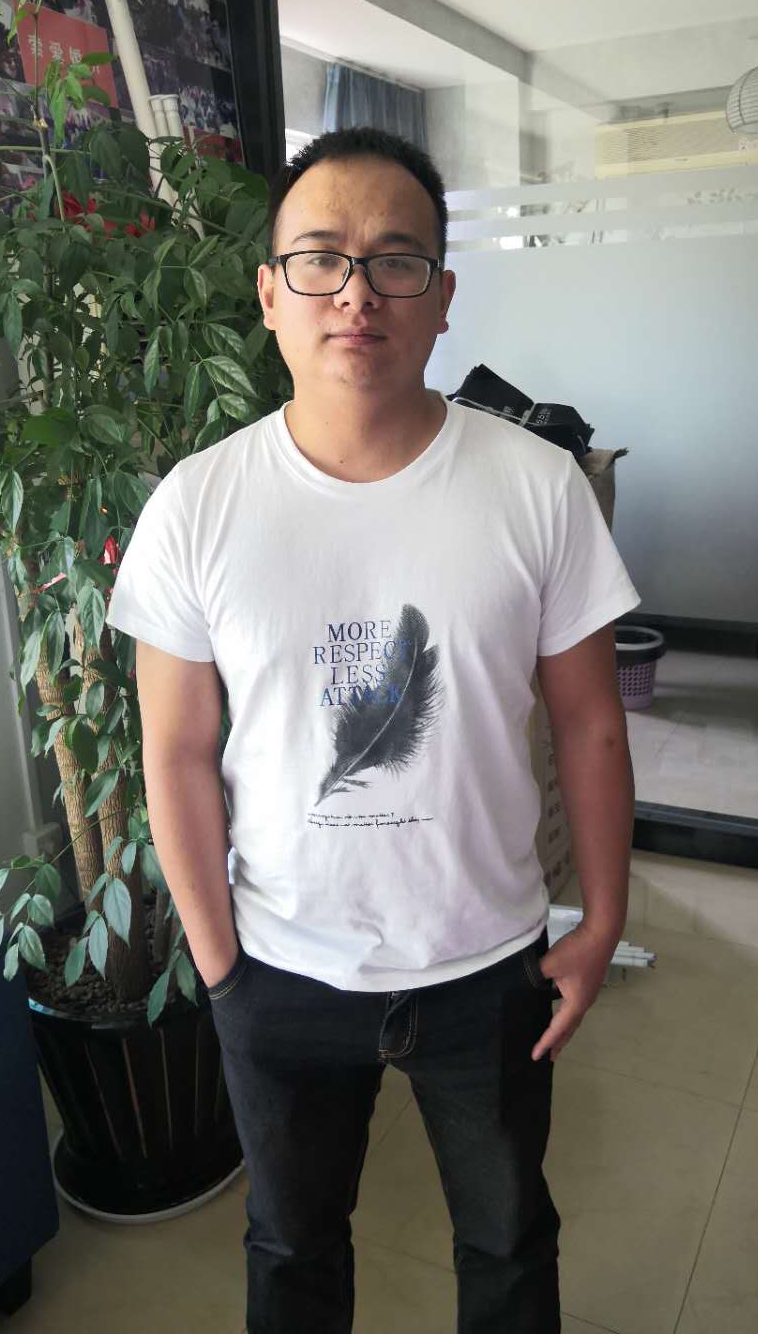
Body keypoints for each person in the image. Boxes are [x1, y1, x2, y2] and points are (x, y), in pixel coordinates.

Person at [105, 126, 641, 1334]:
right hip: (279, 965)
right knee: (292, 1249)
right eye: (320, 259)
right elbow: (175, 751)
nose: (356, 293)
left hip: (488, 962)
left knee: (509, 1241)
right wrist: (219, 965)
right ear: (270, 294)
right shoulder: (198, 505)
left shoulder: (536, 486)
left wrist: (602, 919)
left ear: (442, 298)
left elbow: (591, 725)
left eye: (397, 261)